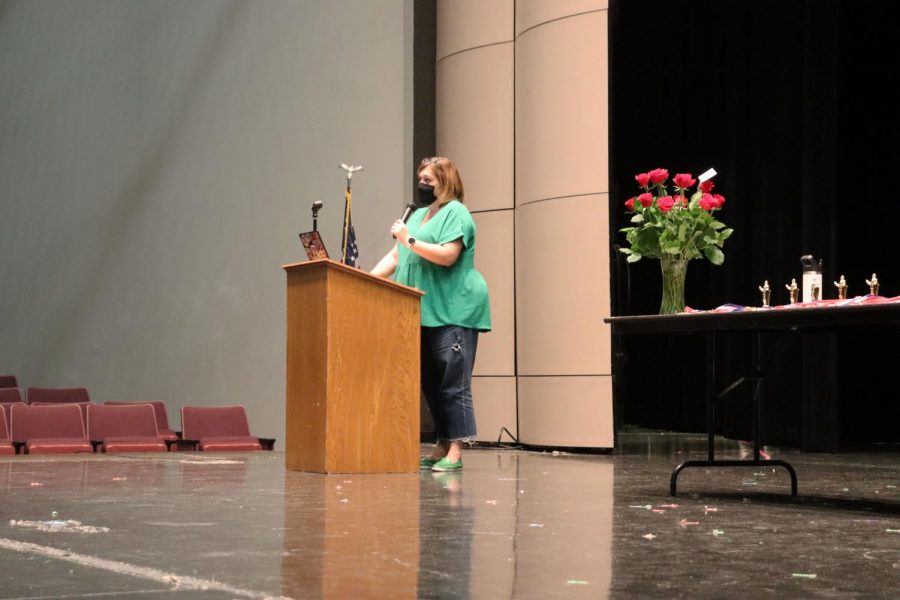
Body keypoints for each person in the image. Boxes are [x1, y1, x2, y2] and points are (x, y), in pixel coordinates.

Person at [371, 156, 491, 472]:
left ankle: (456, 450)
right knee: (431, 383)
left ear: (446, 180)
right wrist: (366, 279)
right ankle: (441, 442)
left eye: (428, 179)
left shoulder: (457, 213)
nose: (422, 185)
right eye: (420, 179)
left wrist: (408, 239)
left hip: (452, 310)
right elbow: (397, 256)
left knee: (454, 382)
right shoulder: (419, 215)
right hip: (419, 311)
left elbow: (448, 256)